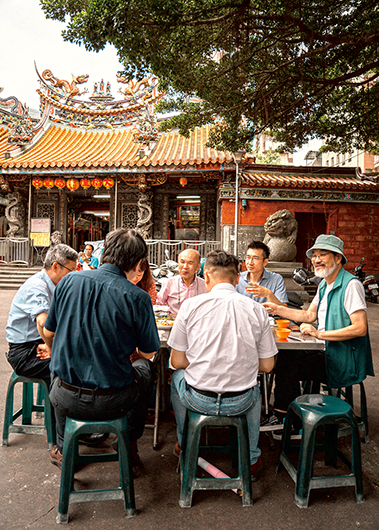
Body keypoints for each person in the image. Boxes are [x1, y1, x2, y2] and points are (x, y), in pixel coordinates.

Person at [44, 228, 161, 468]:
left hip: (63, 395)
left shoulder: (69, 281)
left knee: (59, 369)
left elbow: (49, 332)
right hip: (114, 400)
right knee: (145, 368)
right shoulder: (137, 297)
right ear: (139, 263)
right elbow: (149, 352)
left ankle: (64, 448)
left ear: (104, 253)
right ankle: (128, 442)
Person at [168, 250, 277, 479]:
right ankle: (250, 458)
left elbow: (176, 361)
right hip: (240, 401)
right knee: (253, 386)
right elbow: (267, 366)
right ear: (238, 278)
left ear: (205, 276)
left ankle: (184, 443)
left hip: (198, 399)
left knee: (177, 376)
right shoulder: (257, 309)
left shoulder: (189, 307)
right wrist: (240, 363)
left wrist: (204, 362)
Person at [263, 234, 374, 433]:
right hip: (326, 351)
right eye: (314, 255)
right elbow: (308, 314)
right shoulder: (324, 283)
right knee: (285, 356)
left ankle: (284, 417)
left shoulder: (351, 285)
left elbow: (360, 328)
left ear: (338, 258)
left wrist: (319, 334)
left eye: (323, 255)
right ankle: (290, 414)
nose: (316, 260)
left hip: (342, 359)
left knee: (288, 363)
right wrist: (277, 309)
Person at [5, 244, 78, 381]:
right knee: (74, 367)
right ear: (55, 266)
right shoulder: (37, 286)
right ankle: (57, 402)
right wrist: (51, 348)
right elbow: (43, 322)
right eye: (71, 270)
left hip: (38, 343)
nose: (73, 275)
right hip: (25, 353)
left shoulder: (54, 286)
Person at [236, 241, 288, 306]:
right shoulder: (238, 278)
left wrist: (268, 294)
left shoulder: (276, 279)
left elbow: (284, 311)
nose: (250, 263)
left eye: (255, 258)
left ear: (265, 262)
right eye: (248, 257)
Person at [156, 249, 207, 313]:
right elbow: (158, 304)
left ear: (198, 266)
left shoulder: (205, 286)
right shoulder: (169, 283)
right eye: (182, 262)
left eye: (190, 263)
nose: (185, 267)